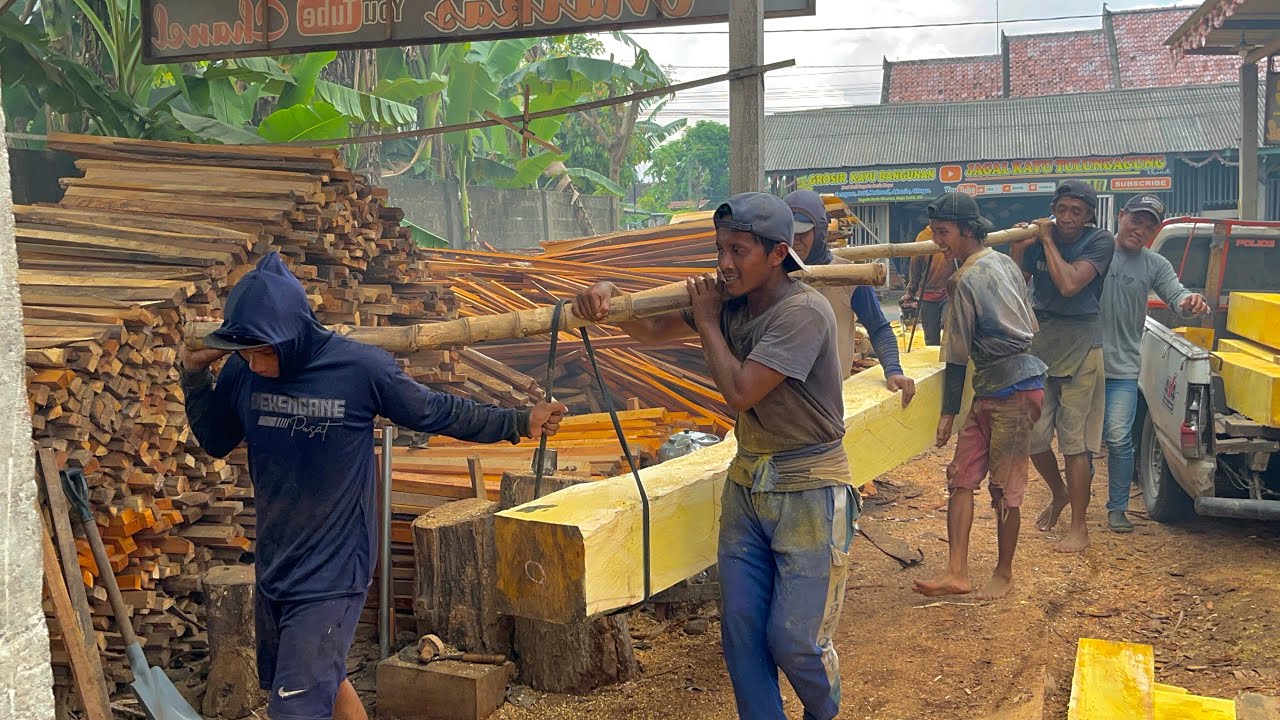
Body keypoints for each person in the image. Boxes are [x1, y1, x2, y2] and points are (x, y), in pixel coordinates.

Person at [178, 253, 566, 720]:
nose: (256, 364)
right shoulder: (245, 368)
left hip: (335, 567)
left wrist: (519, 420)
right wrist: (195, 374)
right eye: (247, 352)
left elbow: (436, 410)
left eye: (265, 352)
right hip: (277, 560)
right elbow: (216, 439)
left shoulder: (360, 369)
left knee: (295, 710)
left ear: (295, 335)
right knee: (326, 679)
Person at [572, 193, 856, 720]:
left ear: (778, 254)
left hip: (809, 489)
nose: (724, 264)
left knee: (794, 639)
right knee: (742, 633)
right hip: (748, 484)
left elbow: (742, 392)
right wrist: (611, 298)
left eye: (739, 251)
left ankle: (825, 711)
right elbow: (653, 330)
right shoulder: (728, 303)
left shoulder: (804, 312)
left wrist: (706, 322)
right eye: (720, 249)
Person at [912, 192, 1047, 601]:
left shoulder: (965, 279)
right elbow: (1031, 324)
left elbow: (955, 353)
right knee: (962, 478)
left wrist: (947, 412)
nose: (937, 241)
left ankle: (1003, 573)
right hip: (995, 385)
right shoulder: (1004, 262)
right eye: (934, 232)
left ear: (968, 231)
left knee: (1005, 488)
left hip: (1015, 390)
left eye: (943, 232)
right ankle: (957, 572)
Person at [1011, 180, 1116, 553]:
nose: (1067, 217)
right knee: (1034, 438)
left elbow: (1071, 284)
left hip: (1082, 344)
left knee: (1075, 443)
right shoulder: (1042, 234)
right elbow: (1015, 283)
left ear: (1089, 216)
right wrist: (1019, 249)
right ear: (1054, 207)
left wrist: (1049, 242)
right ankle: (1059, 493)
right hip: (1043, 341)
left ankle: (1079, 527)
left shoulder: (1100, 242)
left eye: (1077, 211)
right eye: (1062, 209)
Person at [1099, 195, 1209, 532]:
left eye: (1149, 226)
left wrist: (1190, 301)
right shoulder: (1096, 251)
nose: (1141, 230)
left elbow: (1175, 295)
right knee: (1081, 444)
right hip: (1083, 364)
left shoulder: (1154, 264)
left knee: (1118, 438)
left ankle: (1117, 508)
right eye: (1136, 221)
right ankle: (1072, 504)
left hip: (1124, 368)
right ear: (1120, 217)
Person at [784, 190, 916, 405]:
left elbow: (879, 328)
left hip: (830, 395)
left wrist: (893, 370)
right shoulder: (773, 275)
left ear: (820, 231)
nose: (795, 242)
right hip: (784, 396)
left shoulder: (848, 276)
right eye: (790, 233)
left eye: (803, 234)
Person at [904, 225, 958, 346]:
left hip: (948, 291)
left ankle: (951, 361)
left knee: (949, 327)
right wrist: (911, 291)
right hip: (927, 293)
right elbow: (915, 265)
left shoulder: (953, 234)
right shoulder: (923, 237)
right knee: (930, 337)